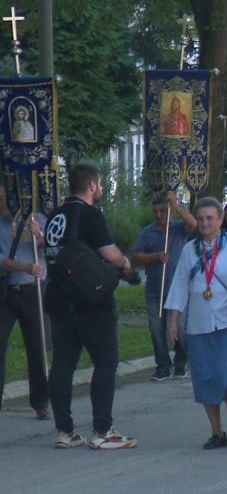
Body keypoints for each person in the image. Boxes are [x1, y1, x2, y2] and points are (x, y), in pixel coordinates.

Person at [44, 164, 137, 450]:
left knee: (62, 364)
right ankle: (102, 429)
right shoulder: (90, 215)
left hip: (59, 300)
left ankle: (65, 430)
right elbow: (109, 253)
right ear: (93, 185)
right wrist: (125, 264)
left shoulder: (55, 216)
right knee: (105, 362)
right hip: (91, 302)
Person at [165, 197, 227, 450]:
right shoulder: (191, 250)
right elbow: (179, 285)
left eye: (210, 218)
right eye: (200, 219)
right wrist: (173, 321)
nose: (205, 223)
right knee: (206, 377)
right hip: (198, 325)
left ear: (220, 219)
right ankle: (216, 431)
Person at [131, 191, 197, 381]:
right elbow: (135, 257)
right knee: (156, 328)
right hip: (155, 289)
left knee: (180, 328)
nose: (159, 215)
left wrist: (175, 205)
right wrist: (156, 256)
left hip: (178, 289)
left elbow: (193, 224)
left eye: (162, 211)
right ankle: (162, 366)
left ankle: (182, 360)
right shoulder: (148, 232)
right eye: (155, 212)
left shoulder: (177, 228)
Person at [0, 185, 49, 420]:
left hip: (31, 290)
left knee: (37, 346)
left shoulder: (35, 217)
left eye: (3, 198)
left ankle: (40, 401)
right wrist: (24, 267)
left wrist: (38, 233)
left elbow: (52, 243)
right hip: (7, 290)